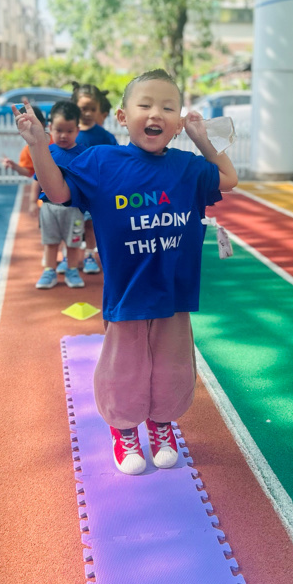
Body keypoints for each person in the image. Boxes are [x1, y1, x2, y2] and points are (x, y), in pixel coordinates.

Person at [15, 68, 238, 475]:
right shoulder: (103, 162)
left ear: (177, 123)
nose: (156, 114)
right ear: (122, 116)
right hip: (128, 293)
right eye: (145, 105)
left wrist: (202, 138)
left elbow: (229, 178)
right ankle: (124, 430)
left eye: (168, 108)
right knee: (125, 368)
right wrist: (39, 146)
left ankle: (162, 424)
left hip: (174, 294)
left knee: (172, 367)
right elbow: (59, 191)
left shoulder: (187, 167)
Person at [33, 100, 87, 290]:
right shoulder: (45, 152)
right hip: (49, 208)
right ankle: (49, 271)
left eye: (69, 131)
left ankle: (72, 270)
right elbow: (38, 178)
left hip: (74, 209)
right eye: (59, 130)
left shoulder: (84, 154)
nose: (64, 135)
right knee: (50, 242)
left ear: (77, 130)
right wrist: (32, 201)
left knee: (73, 243)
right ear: (50, 128)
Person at [73, 84, 117, 274]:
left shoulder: (105, 136)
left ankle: (90, 255)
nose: (88, 113)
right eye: (84, 108)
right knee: (71, 226)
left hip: (95, 190)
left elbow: (114, 161)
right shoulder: (69, 133)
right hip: (73, 189)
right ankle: (69, 257)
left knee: (90, 225)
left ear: (100, 110)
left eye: (93, 109)